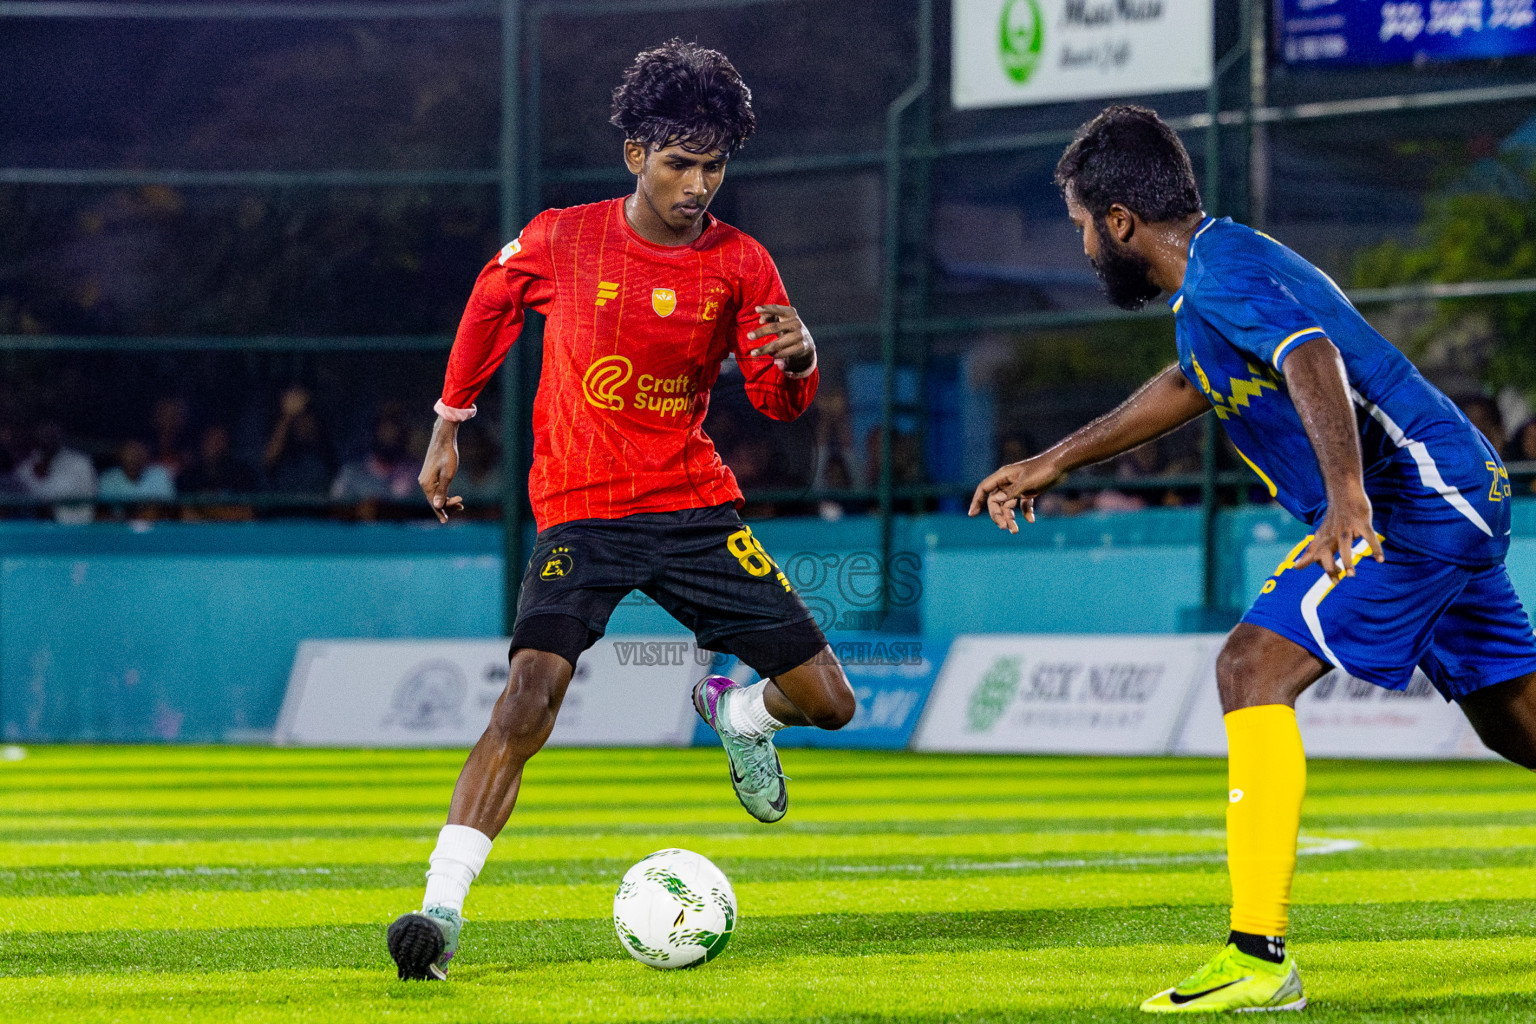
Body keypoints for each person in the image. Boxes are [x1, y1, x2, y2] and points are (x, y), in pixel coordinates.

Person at [971, 106, 1536, 1014]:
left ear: (1120, 220)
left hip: (1413, 501)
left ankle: (1258, 957)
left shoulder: (1224, 274)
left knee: (1251, 666)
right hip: (1455, 492)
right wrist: (1055, 459)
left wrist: (1347, 494)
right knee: (1514, 724)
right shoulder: (1221, 279)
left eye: (1081, 224)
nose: (1082, 245)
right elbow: (1192, 383)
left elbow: (1311, 358)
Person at [388, 40, 856, 982]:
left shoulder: (741, 263)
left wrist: (800, 364)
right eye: (679, 162)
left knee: (832, 703)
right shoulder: (564, 237)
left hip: (693, 505)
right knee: (529, 696)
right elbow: (489, 302)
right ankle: (438, 913)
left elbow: (775, 402)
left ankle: (742, 716)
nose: (697, 184)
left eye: (714, 165)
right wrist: (449, 420)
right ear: (636, 153)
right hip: (582, 511)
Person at [14, 420, 97, 524]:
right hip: (33, 530)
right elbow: (23, 498)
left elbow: (85, 502)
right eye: (43, 430)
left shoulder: (80, 463)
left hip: (73, 528)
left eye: (52, 429)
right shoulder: (26, 466)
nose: (48, 435)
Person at [97, 438, 176, 517]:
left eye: (138, 451)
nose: (134, 458)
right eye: (130, 452)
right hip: (118, 527)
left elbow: (169, 511)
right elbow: (102, 514)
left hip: (155, 527)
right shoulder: (108, 478)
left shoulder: (160, 475)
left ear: (146, 453)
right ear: (120, 453)